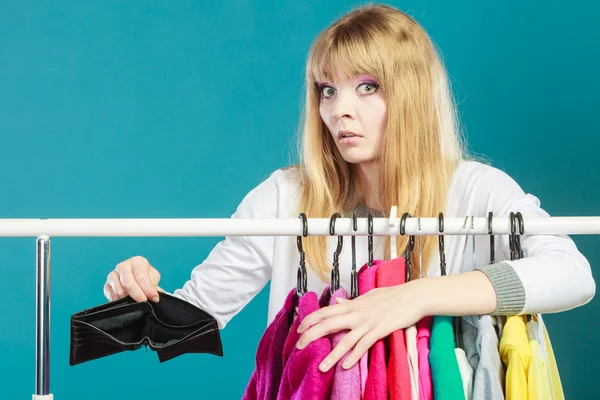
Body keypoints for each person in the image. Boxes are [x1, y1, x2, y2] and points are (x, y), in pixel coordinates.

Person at [103, 3, 595, 374]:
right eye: (327, 89)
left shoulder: (476, 190)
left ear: (412, 94)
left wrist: (419, 297)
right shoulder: (284, 197)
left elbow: (573, 274)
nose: (339, 110)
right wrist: (137, 296)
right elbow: (191, 321)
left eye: (367, 87)